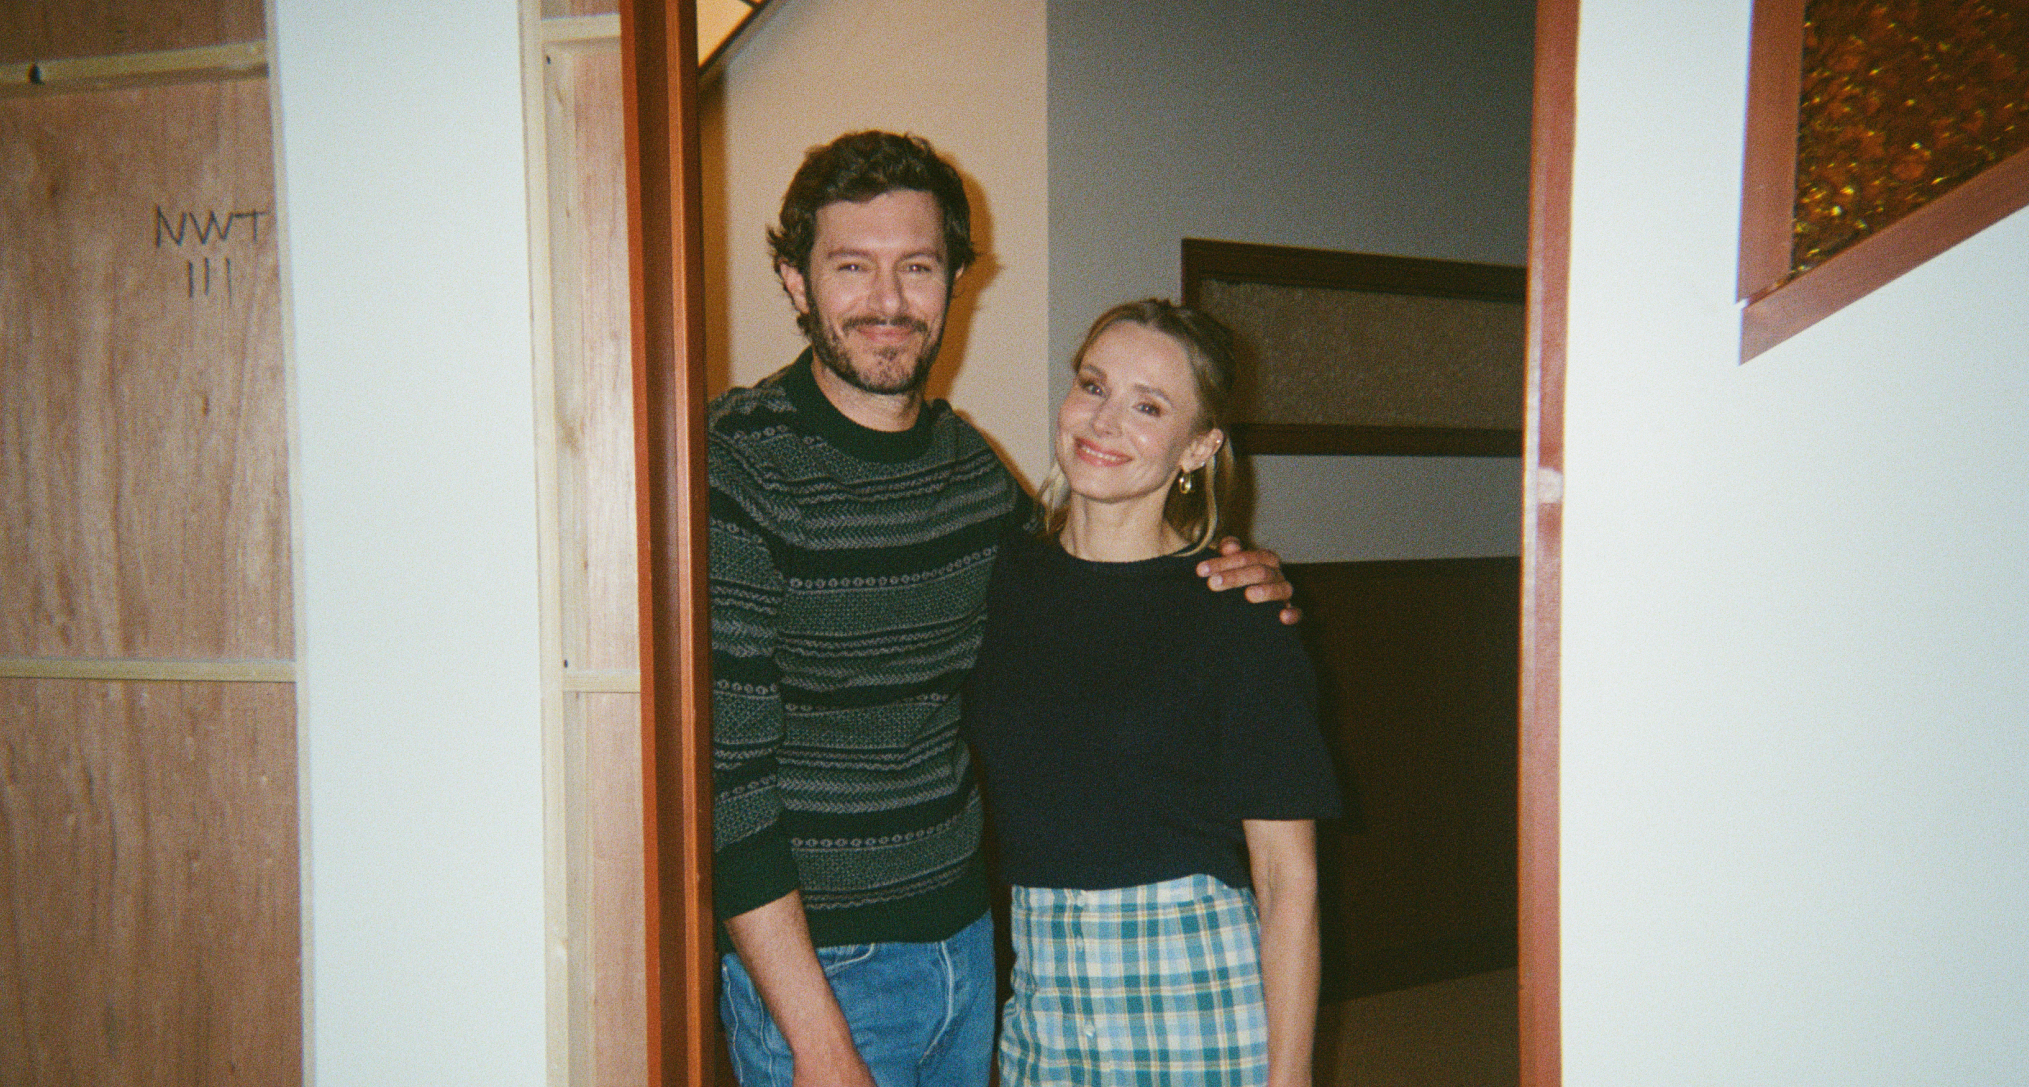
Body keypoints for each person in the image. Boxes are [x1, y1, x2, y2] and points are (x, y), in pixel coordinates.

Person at [709, 132, 1296, 1087]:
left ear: (953, 284)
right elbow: (725, 784)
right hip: (823, 969)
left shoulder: (972, 472)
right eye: (851, 267)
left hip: (979, 947)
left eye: (918, 268)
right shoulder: (738, 465)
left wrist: (1233, 569)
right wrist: (816, 1038)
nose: (888, 303)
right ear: (793, 280)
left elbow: (1094, 584)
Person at [963, 299, 1342, 1087]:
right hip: (1042, 998)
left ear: (1199, 446)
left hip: (1194, 992)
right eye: (1092, 385)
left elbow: (1286, 879)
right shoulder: (1000, 577)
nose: (1104, 422)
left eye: (1148, 406)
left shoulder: (1237, 614)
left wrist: (1291, 1074)